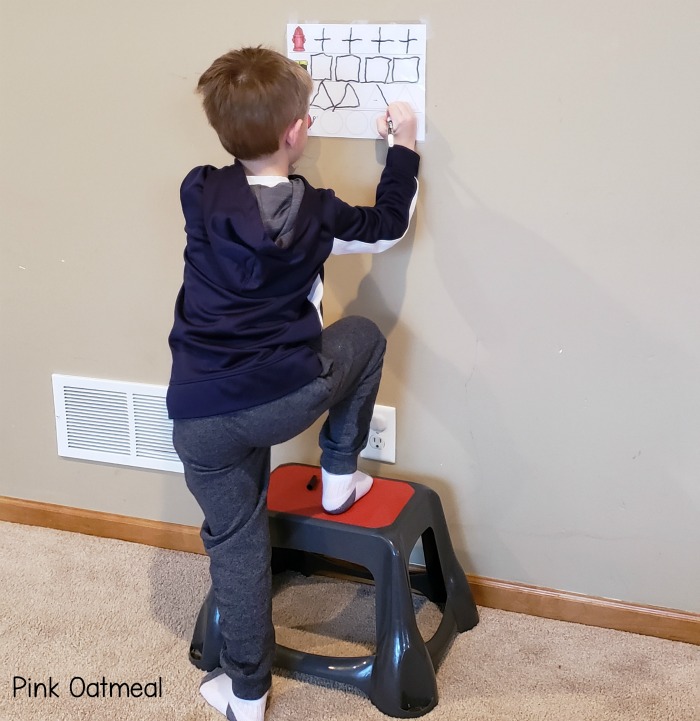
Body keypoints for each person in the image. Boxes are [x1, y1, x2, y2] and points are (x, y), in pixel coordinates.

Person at [167, 46, 419, 721]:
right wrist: (405, 148)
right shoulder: (312, 214)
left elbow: (240, 200)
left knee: (239, 545)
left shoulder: (197, 188)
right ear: (296, 133)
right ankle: (339, 473)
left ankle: (246, 693)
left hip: (199, 413)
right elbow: (388, 226)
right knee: (363, 334)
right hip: (282, 398)